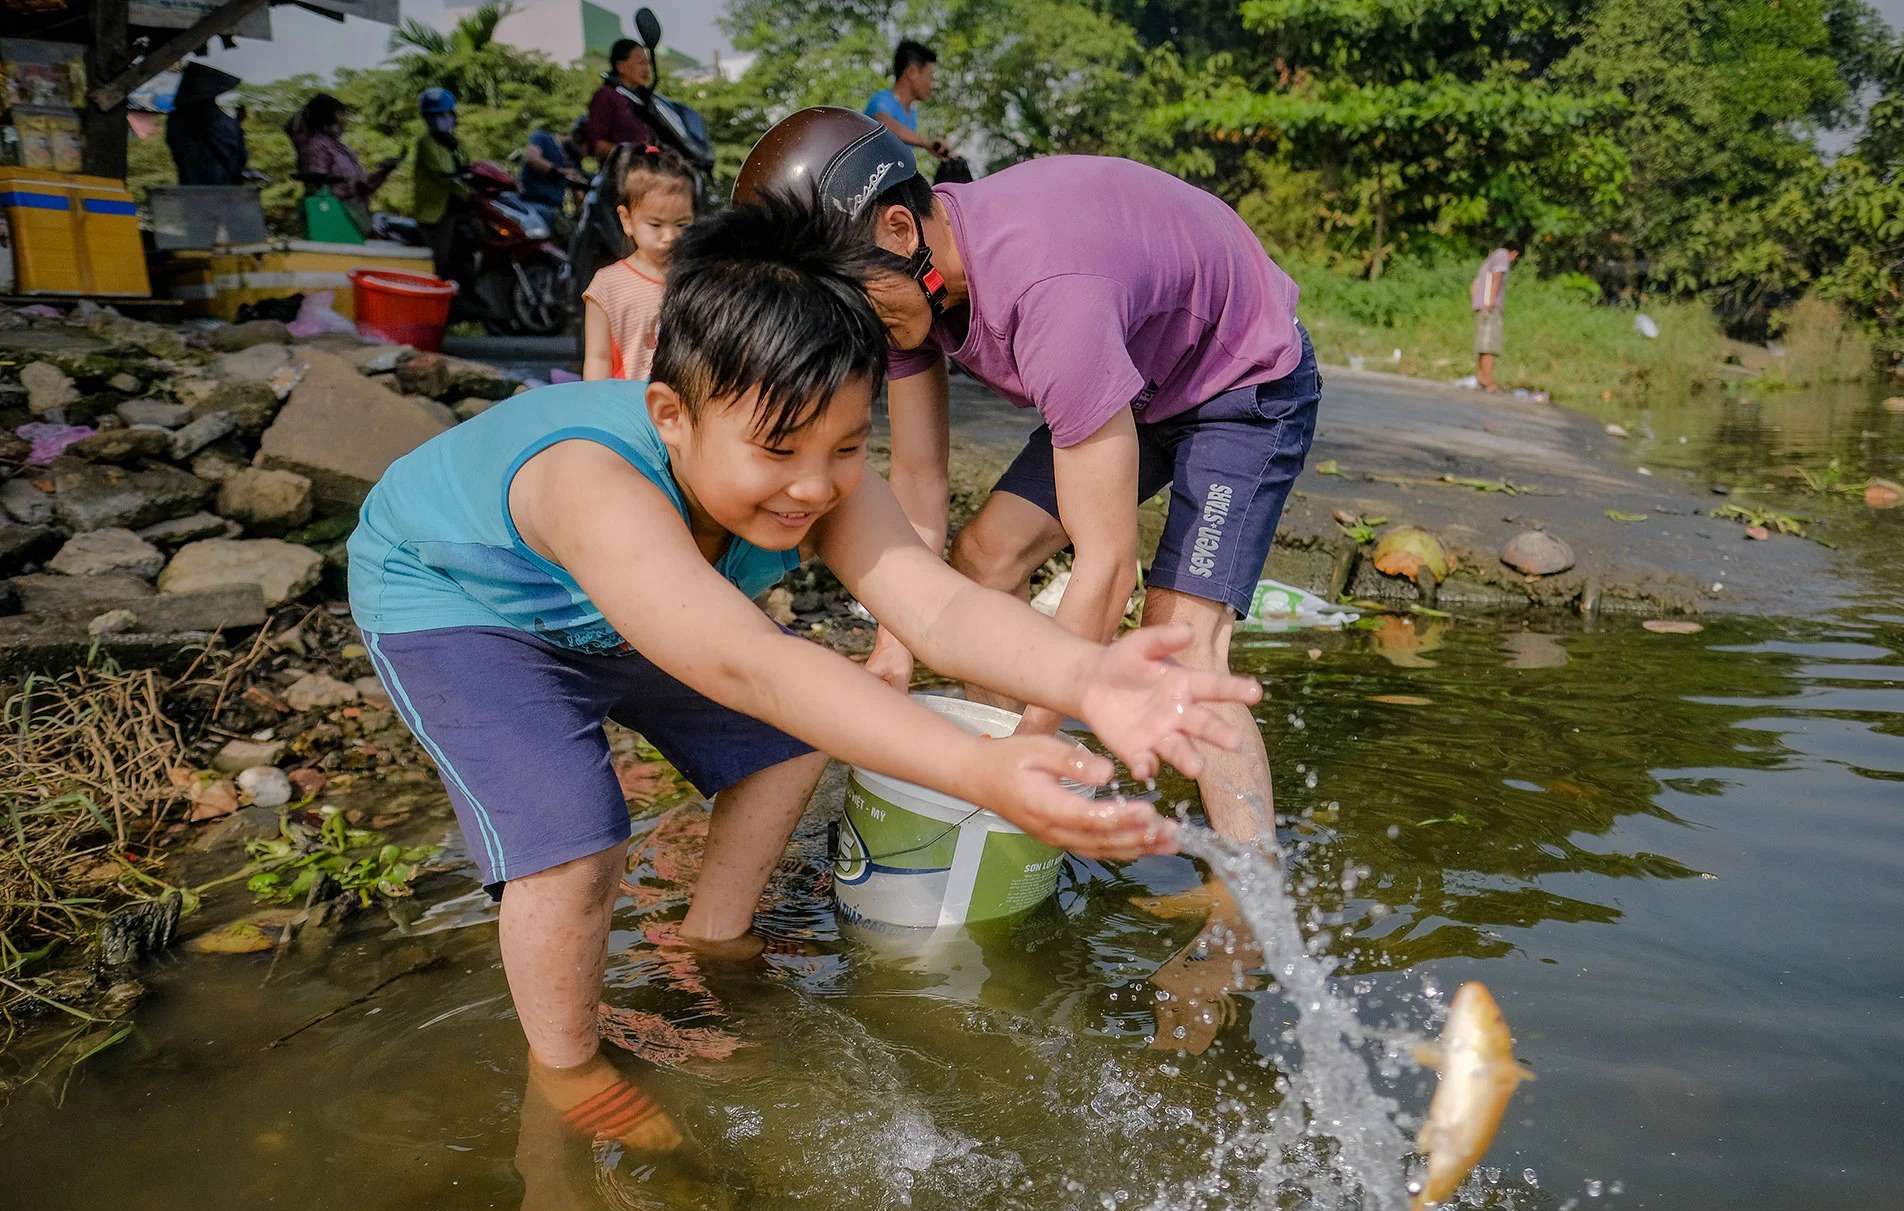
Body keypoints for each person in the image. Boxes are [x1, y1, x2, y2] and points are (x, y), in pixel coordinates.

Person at [346, 194, 1260, 1136]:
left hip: (636, 608)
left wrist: (1086, 676)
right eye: (779, 450)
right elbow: (751, 664)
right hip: (467, 607)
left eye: (847, 446)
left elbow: (938, 605)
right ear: (670, 414)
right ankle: (567, 1072)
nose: (814, 487)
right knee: (575, 843)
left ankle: (713, 939)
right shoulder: (596, 484)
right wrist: (980, 769)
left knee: (787, 740)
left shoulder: (815, 472)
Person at [735, 109, 1318, 855]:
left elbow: (1106, 565)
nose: (854, 338)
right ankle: (1031, 798)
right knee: (986, 557)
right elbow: (917, 478)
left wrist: (1032, 749)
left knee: (1180, 649)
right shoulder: (908, 292)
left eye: (849, 309)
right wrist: (893, 649)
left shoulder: (1049, 294)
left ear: (899, 231)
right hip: (1134, 373)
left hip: (1239, 380)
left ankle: (1246, 896)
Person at [583, 144, 695, 381]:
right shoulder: (608, 285)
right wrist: (594, 410)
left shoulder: (698, 279)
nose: (670, 237)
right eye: (655, 225)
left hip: (683, 413)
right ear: (627, 219)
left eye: (682, 224)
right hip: (626, 412)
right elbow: (598, 358)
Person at [288, 94, 399, 222]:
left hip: (356, 214)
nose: (344, 119)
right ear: (327, 117)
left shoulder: (341, 148)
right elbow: (317, 186)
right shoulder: (318, 146)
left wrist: (384, 171)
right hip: (336, 217)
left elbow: (363, 187)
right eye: (340, 114)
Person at [413, 87, 471, 286]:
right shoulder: (426, 143)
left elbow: (468, 168)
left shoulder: (457, 144)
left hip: (458, 209)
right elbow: (444, 175)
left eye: (443, 114)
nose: (439, 119)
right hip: (435, 214)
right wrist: (468, 191)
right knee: (441, 261)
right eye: (433, 116)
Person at [862, 39, 952, 162]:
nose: (932, 84)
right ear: (912, 72)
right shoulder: (882, 100)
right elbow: (884, 124)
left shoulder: (912, 114)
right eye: (930, 76)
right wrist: (926, 143)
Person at [166, 62, 247, 187]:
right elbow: (235, 154)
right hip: (219, 187)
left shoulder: (177, 119)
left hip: (195, 189)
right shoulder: (212, 118)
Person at [587, 39, 656, 162]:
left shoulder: (648, 99)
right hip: (621, 174)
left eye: (648, 63)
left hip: (652, 170)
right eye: (641, 63)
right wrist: (633, 153)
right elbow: (597, 145)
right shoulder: (606, 95)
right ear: (621, 66)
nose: (647, 69)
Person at [1471, 243, 1519, 392]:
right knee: (1489, 346)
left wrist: (1476, 302)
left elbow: (1474, 284)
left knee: (1482, 345)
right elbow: (1498, 276)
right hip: (1490, 308)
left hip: (1481, 306)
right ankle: (1488, 381)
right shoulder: (1502, 255)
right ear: (1515, 253)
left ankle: (1481, 378)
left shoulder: (1489, 259)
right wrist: (1490, 301)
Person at [520, 118, 588, 218]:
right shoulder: (542, 138)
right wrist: (559, 172)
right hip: (532, 205)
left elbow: (579, 195)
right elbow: (532, 158)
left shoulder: (574, 159)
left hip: (555, 210)